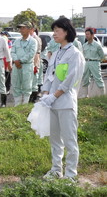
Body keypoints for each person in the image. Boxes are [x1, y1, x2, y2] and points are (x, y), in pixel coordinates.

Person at [40, 16, 85, 181]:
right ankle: (56, 169)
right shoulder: (57, 53)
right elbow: (48, 75)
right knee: (55, 140)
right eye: (54, 31)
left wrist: (54, 95)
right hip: (52, 103)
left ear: (67, 32)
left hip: (65, 103)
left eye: (57, 31)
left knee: (69, 141)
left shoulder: (74, 54)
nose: (54, 34)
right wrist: (45, 95)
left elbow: (70, 80)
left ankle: (71, 175)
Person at [11, 21, 37, 106]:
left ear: (29, 29)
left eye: (23, 28)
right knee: (16, 84)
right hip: (16, 65)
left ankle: (25, 104)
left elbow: (31, 54)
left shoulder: (33, 41)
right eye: (20, 28)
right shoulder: (17, 41)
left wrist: (20, 61)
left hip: (27, 65)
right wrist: (16, 60)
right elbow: (12, 51)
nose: (21, 30)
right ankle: (17, 104)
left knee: (27, 85)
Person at [80, 28, 105, 97]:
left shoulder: (97, 45)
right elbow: (83, 55)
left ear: (92, 35)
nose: (86, 36)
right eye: (86, 34)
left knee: (98, 79)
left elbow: (102, 56)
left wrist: (97, 61)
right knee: (85, 78)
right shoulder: (84, 45)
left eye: (88, 34)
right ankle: (85, 95)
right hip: (86, 63)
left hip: (95, 63)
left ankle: (102, 95)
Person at [29, 24, 42, 103]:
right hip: (29, 63)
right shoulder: (29, 38)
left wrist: (35, 65)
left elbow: (37, 53)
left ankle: (33, 99)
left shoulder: (36, 39)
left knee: (34, 81)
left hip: (34, 62)